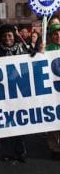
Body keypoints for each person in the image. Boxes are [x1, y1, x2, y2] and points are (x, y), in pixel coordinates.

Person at [0, 24, 30, 162]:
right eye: (5, 35)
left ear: (14, 37)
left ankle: (20, 151)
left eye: (10, 35)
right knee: (5, 123)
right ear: (1, 37)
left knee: (20, 122)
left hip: (19, 92)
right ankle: (7, 152)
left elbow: (32, 59)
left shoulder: (22, 49)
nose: (7, 38)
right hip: (3, 93)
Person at [41, 24, 60, 159]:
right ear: (51, 36)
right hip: (51, 92)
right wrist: (39, 53)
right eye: (55, 34)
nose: (58, 36)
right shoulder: (46, 50)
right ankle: (54, 148)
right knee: (52, 120)